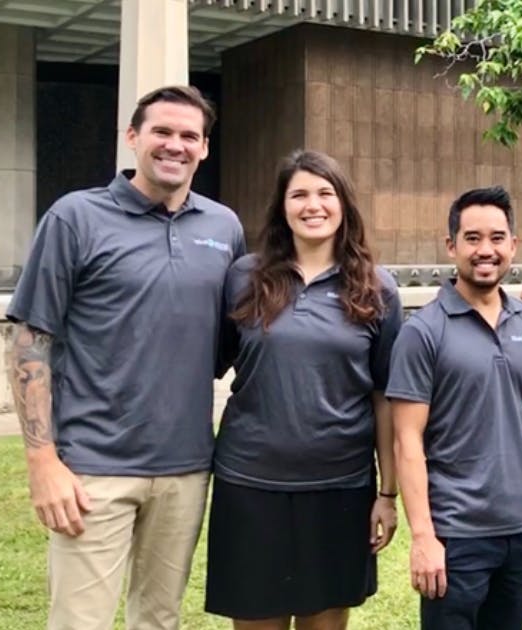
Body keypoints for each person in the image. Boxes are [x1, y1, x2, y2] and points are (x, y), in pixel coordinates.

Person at [5, 85, 245, 630]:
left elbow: (229, 341)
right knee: (79, 622)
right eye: (162, 131)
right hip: (92, 469)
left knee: (159, 620)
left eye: (190, 136)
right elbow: (29, 340)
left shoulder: (224, 228)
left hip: (186, 468)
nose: (175, 146)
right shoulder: (75, 217)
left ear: (205, 148)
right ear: (132, 137)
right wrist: (43, 463)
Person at [205, 150, 402, 629]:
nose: (312, 205)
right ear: (282, 207)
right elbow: (213, 361)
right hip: (250, 483)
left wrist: (387, 493)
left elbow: (385, 397)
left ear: (343, 205)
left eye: (324, 193)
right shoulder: (244, 277)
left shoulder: (377, 289)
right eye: (299, 195)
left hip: (340, 487)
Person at [387, 186, 522, 630]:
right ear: (452, 246)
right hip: (456, 535)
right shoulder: (422, 332)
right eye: (473, 238)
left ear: (514, 246)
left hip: (521, 532)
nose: (486, 250)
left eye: (498, 238)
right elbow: (407, 440)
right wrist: (423, 536)